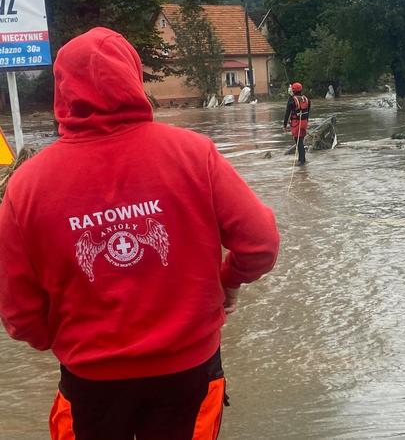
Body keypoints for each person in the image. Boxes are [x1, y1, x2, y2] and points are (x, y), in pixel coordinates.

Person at [0, 27, 280, 440]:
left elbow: (18, 312)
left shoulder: (26, 185)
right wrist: (227, 281)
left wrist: (68, 340)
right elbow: (261, 245)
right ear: (133, 78)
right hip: (190, 372)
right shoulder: (193, 154)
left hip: (89, 380)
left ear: (62, 89)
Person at [283, 82, 310, 166]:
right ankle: (301, 159)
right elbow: (307, 112)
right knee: (300, 140)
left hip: (296, 123)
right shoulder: (306, 99)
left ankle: (302, 161)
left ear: (293, 90)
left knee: (299, 142)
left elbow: (287, 113)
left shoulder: (291, 100)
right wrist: (306, 122)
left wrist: (284, 125)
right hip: (304, 122)